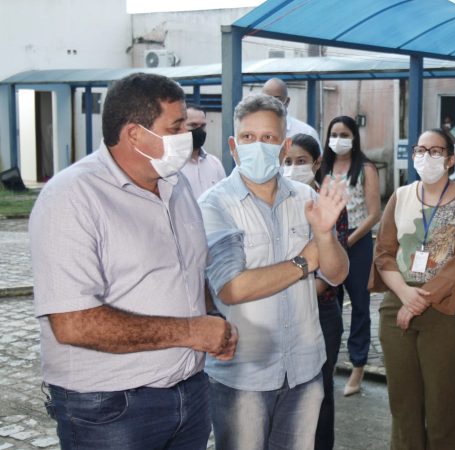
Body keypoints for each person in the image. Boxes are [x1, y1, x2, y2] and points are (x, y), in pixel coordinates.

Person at [29, 72, 237, 449]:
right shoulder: (72, 197)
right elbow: (72, 324)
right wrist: (192, 331)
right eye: (175, 127)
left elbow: (189, 271)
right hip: (110, 408)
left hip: (189, 393)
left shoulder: (177, 184)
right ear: (134, 134)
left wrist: (214, 321)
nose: (186, 137)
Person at [198, 94, 350, 449]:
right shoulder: (215, 203)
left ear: (283, 147)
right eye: (248, 138)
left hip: (303, 367)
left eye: (268, 138)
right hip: (243, 374)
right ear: (234, 147)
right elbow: (232, 287)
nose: (257, 146)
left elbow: (337, 273)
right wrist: (304, 261)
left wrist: (325, 236)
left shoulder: (305, 198)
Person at [370, 129, 455, 449]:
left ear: (451, 159)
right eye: (420, 150)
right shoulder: (401, 196)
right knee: (403, 403)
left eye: (435, 151)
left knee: (443, 404)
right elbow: (384, 253)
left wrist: (417, 302)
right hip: (398, 301)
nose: (426, 157)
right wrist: (405, 295)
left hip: (446, 307)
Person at [281, 132, 349, 450]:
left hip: (321, 312)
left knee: (319, 393)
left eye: (301, 161)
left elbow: (333, 271)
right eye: (287, 162)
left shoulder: (330, 202)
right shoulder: (277, 200)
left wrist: (290, 286)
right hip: (282, 311)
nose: (293, 168)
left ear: (317, 163)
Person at [320, 115, 382, 396]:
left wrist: (349, 241)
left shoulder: (366, 168)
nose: (339, 139)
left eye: (344, 134)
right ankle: (330, 360)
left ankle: (357, 367)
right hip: (329, 241)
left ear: (354, 137)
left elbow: (374, 214)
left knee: (359, 305)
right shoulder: (323, 167)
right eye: (334, 134)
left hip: (357, 243)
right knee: (330, 303)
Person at [180, 104, 226, 199]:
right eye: (193, 125)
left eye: (203, 125)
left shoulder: (215, 163)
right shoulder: (173, 166)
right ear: (180, 127)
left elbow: (224, 199)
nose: (199, 130)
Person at [263, 77, 321, 146]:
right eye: (266, 99)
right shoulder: (253, 132)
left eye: (276, 99)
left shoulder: (307, 132)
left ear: (287, 102)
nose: (271, 103)